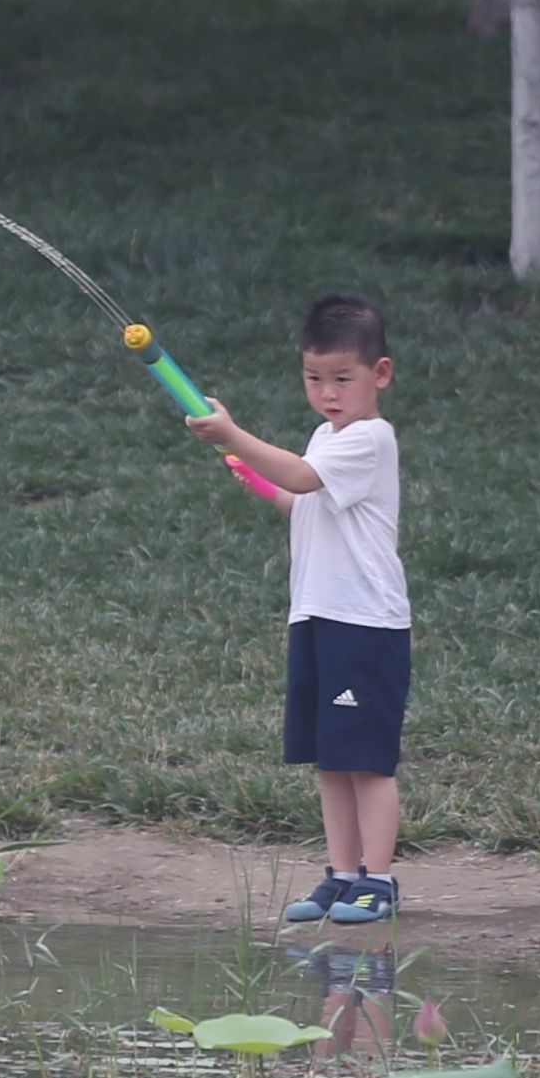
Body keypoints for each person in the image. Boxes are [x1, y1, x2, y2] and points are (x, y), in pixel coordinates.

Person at [181, 292, 408, 926]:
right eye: (314, 378)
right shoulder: (325, 438)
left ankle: (379, 881)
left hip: (364, 625)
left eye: (342, 378)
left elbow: (305, 478)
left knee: (367, 762)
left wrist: (233, 435)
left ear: (380, 374)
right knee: (331, 758)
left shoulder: (368, 439)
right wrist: (260, 480)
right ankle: (341, 876)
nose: (327, 393)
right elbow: (301, 498)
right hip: (318, 618)